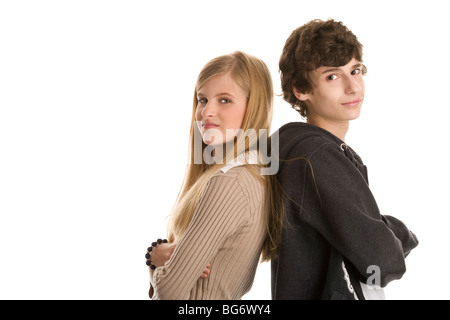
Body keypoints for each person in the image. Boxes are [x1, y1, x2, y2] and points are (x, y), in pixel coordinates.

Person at [271, 19, 419, 300]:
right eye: (332, 76)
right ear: (301, 89)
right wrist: (399, 231)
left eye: (355, 70)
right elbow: (383, 262)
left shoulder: (300, 149)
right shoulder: (315, 156)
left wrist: (375, 227)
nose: (353, 87)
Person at [145, 51, 283, 300]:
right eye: (202, 99)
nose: (206, 112)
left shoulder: (229, 182)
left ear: (254, 106)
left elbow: (168, 293)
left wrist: (153, 261)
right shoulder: (253, 174)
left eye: (224, 100)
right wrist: (157, 257)